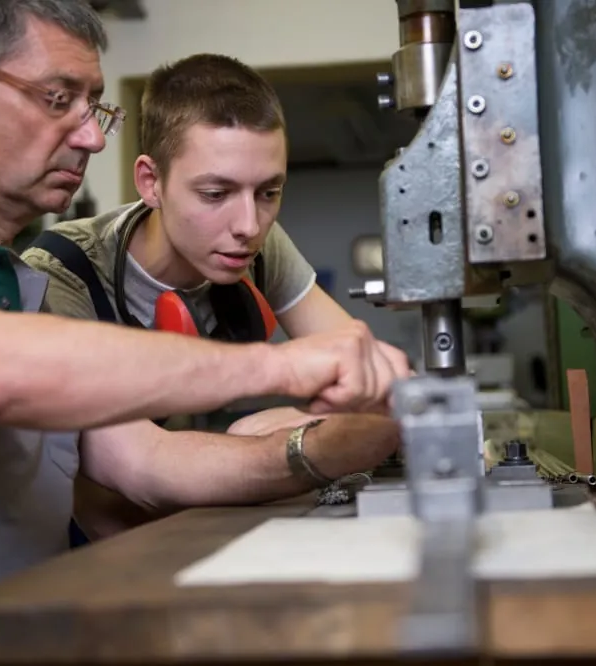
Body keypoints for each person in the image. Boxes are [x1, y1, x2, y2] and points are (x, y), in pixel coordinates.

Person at [0, 2, 409, 664]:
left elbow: (151, 464)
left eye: (93, 105)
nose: (93, 139)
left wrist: (333, 444)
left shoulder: (21, 290)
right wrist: (285, 367)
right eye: (57, 99)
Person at [21, 54, 408, 540]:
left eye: (268, 192)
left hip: (195, 521)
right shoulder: (60, 277)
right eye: (215, 194)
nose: (248, 226)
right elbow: (135, 476)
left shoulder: (253, 246)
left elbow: (373, 380)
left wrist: (284, 432)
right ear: (151, 183)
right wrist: (310, 442)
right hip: (93, 539)